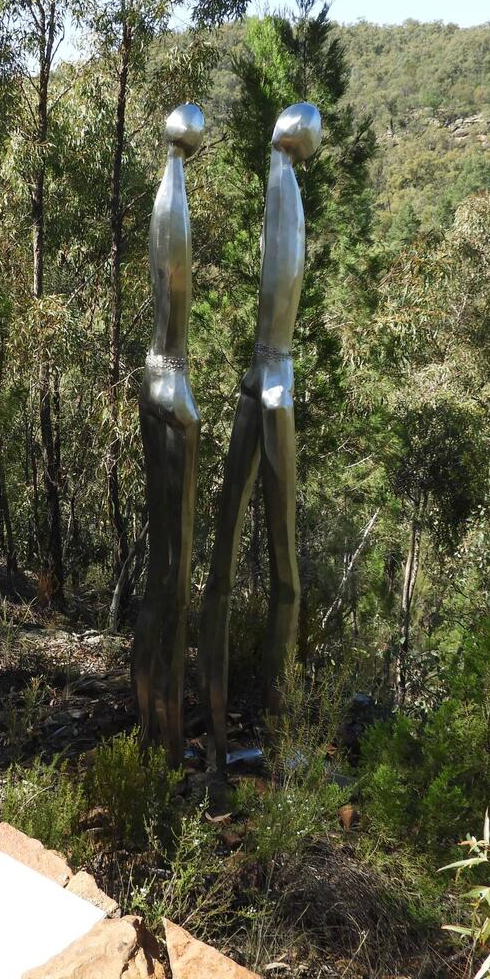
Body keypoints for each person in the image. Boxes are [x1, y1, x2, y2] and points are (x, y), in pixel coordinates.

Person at [199, 103, 323, 768]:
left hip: (263, 373)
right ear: (301, 138)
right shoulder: (286, 187)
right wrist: (276, 379)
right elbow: (284, 277)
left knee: (225, 561)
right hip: (273, 378)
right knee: (285, 576)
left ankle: (224, 740)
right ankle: (271, 743)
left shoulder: (284, 186)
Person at [131, 104, 204, 767]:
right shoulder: (172, 193)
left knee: (164, 574)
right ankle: (166, 739)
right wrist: (179, 401)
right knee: (172, 582)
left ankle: (151, 730)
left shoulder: (167, 190)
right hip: (169, 382)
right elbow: (172, 282)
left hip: (157, 376)